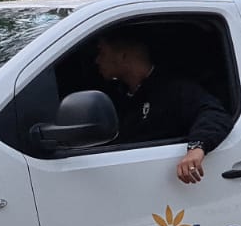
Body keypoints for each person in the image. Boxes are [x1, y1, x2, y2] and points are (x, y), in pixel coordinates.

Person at [94, 26, 233, 184]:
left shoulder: (174, 90)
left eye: (102, 52)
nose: (97, 60)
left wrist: (196, 148)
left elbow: (215, 114)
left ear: (123, 56)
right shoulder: (116, 96)